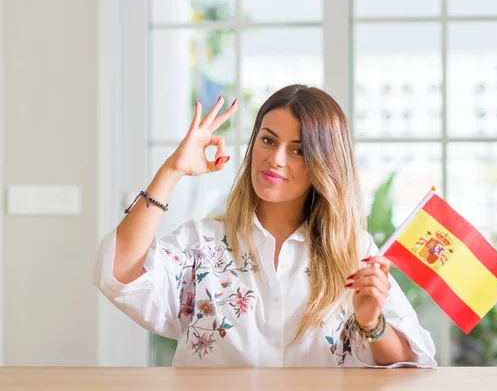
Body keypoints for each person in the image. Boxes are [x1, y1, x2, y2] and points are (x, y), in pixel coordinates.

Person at [94, 84, 437, 368]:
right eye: (268, 140)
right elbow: (118, 274)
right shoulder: (201, 243)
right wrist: (172, 170)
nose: (276, 159)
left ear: (325, 165)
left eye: (299, 151)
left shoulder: (354, 252)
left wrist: (371, 323)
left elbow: (411, 365)